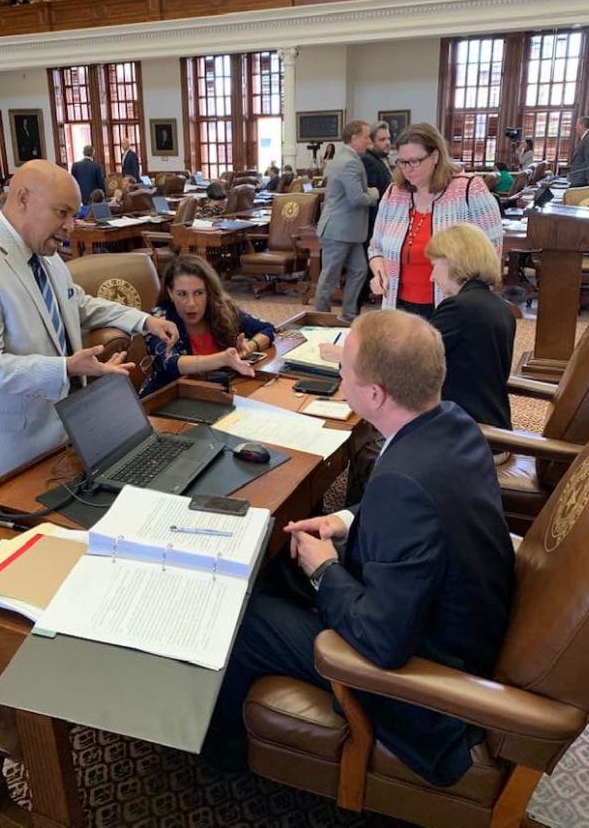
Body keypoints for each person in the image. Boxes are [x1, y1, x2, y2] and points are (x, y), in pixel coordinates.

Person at [207, 309, 514, 786]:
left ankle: (223, 755)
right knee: (279, 568)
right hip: (449, 618)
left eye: (345, 368)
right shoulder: (453, 422)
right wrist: (344, 519)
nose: (339, 375)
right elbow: (420, 514)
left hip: (428, 682)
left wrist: (326, 571)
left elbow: (382, 644)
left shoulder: (403, 485)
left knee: (243, 620)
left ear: (374, 394)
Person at [0, 160, 179, 496]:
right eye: (62, 212)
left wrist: (142, 319)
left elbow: (78, 304)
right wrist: (66, 367)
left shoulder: (45, 256)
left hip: (49, 444)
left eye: (73, 214)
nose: (71, 226)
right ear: (22, 199)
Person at [368, 122, 502, 319]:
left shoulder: (469, 190)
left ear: (435, 156)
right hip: (398, 305)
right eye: (402, 162)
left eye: (414, 161)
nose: (407, 169)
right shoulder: (394, 193)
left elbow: (492, 254)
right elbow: (376, 248)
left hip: (454, 307)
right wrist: (379, 273)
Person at [139, 255, 275, 397]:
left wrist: (248, 348)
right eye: (182, 294)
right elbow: (170, 364)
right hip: (167, 399)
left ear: (208, 292)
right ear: (170, 292)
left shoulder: (222, 308)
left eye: (198, 293)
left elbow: (268, 328)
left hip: (217, 393)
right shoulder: (158, 319)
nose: (191, 303)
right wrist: (223, 358)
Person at [426, 224, 516, 434]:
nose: (431, 277)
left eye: (434, 265)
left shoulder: (459, 308)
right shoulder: (500, 307)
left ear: (452, 262)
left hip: (466, 434)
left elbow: (413, 360)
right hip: (493, 425)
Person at [314, 120, 379, 322]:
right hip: (338, 230)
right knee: (329, 277)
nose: (369, 141)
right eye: (366, 137)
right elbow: (357, 198)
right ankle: (320, 318)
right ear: (354, 138)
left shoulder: (347, 158)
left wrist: (365, 191)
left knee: (360, 270)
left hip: (350, 232)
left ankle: (349, 316)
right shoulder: (348, 161)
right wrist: (374, 194)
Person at [358, 121, 392, 309]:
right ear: (371, 142)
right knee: (364, 272)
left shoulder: (379, 161)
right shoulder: (368, 161)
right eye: (382, 139)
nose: (387, 142)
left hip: (380, 225)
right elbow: (372, 196)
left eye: (388, 138)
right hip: (372, 226)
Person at [569, 115, 589, 186]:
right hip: (579, 177)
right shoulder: (587, 137)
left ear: (582, 125)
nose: (575, 127)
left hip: (582, 179)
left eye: (577, 125)